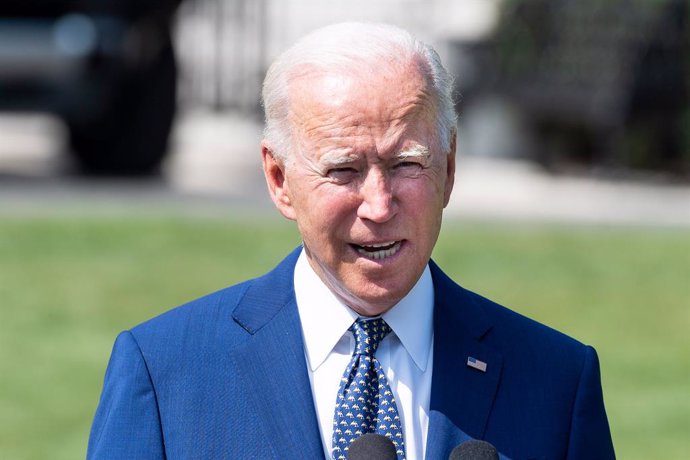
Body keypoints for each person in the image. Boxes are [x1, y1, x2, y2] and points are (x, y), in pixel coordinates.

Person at [87, 22, 615, 459]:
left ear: (449, 168)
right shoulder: (165, 373)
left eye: (406, 164)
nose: (380, 205)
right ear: (279, 180)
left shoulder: (556, 382)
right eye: (343, 170)